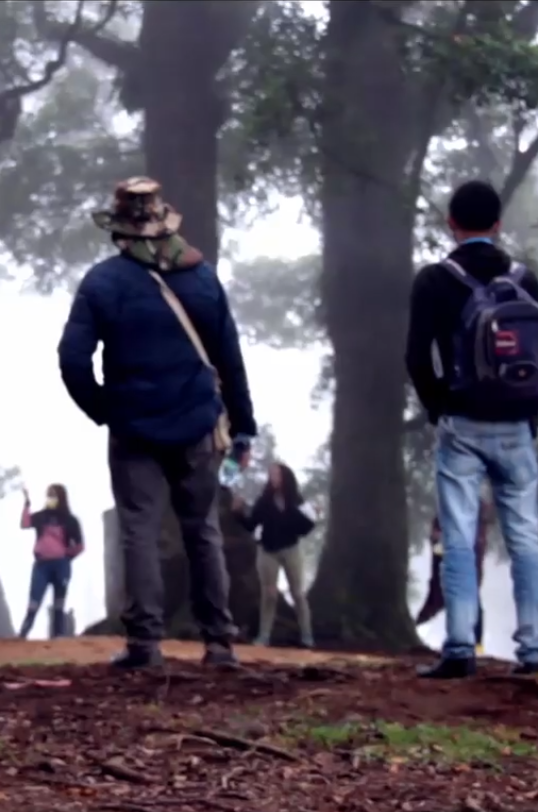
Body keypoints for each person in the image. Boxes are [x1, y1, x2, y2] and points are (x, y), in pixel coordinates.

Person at [58, 178, 255, 670]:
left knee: (139, 531)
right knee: (202, 530)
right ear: (165, 223)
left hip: (134, 430)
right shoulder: (203, 279)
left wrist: (104, 408)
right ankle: (219, 642)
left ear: (120, 230)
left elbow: (72, 360)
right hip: (197, 425)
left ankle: (145, 644)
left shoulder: (103, 283)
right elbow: (229, 359)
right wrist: (243, 425)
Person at [404, 179, 538, 679]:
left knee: (459, 537)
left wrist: (438, 408)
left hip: (462, 423)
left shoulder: (434, 280)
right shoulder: (526, 280)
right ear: (497, 224)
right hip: (516, 423)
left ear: (451, 223)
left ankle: (460, 648)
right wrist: (532, 413)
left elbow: (416, 356)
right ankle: (534, 650)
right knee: (524, 536)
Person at [233, 463, 315, 649]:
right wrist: (238, 513)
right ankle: (263, 637)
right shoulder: (264, 500)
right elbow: (251, 524)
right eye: (271, 474)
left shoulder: (296, 499)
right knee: (269, 594)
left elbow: (305, 528)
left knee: (298, 594)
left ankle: (307, 636)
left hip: (291, 549)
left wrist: (313, 516)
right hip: (267, 550)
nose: (273, 478)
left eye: (277, 474)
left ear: (285, 477)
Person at [415, 500, 493, 656]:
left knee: (472, 606)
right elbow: (436, 540)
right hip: (449, 569)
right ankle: (415, 629)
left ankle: (474, 646)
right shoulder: (452, 508)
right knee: (436, 603)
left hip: (465, 570)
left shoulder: (475, 513)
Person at [18, 483, 85, 640]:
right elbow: (25, 524)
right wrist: (27, 504)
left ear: (61, 498)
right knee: (34, 599)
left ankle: (58, 635)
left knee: (59, 602)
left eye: (53, 495)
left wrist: (67, 555)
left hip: (61, 565)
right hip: (42, 565)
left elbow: (80, 545)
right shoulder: (41, 516)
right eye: (49, 495)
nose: (50, 498)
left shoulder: (70, 520)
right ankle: (23, 633)